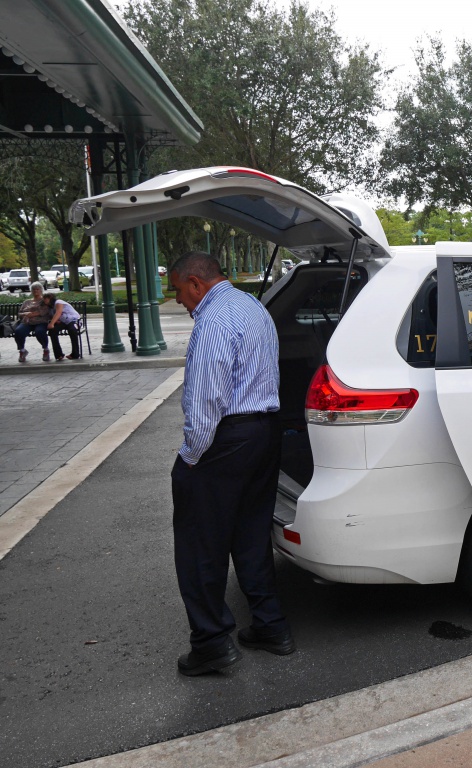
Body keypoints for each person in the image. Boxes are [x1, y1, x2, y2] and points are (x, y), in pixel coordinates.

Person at [168, 251, 293, 676]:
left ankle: (211, 642)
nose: (180, 301)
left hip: (226, 439)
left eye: (179, 291)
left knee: (200, 544)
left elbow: (206, 402)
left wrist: (189, 458)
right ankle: (271, 627)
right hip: (263, 432)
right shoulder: (251, 306)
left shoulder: (214, 320)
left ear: (195, 283)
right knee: (251, 533)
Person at [14, 282, 53, 363]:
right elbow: (20, 313)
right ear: (31, 291)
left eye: (37, 289)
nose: (35, 291)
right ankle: (22, 350)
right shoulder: (26, 302)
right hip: (27, 322)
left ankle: (45, 349)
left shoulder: (44, 300)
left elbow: (44, 312)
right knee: (18, 331)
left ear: (41, 290)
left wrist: (31, 314)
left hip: (41, 321)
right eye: (34, 289)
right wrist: (25, 314)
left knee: (40, 332)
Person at [41, 293, 82, 360]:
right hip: (63, 322)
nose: (44, 300)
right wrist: (55, 321)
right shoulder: (50, 307)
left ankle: (75, 354)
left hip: (73, 320)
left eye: (45, 299)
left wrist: (52, 323)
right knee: (52, 331)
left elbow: (58, 313)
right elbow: (54, 316)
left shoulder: (58, 302)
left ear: (50, 298)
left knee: (72, 330)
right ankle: (58, 354)